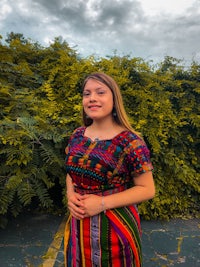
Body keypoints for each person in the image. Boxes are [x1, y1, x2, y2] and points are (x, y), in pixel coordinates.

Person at [64, 72, 155, 267]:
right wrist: (70, 194)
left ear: (114, 98)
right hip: (78, 228)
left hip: (115, 231)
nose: (92, 98)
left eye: (100, 92)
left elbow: (147, 189)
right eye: (86, 94)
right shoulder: (78, 135)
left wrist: (102, 203)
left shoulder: (131, 142)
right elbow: (71, 172)